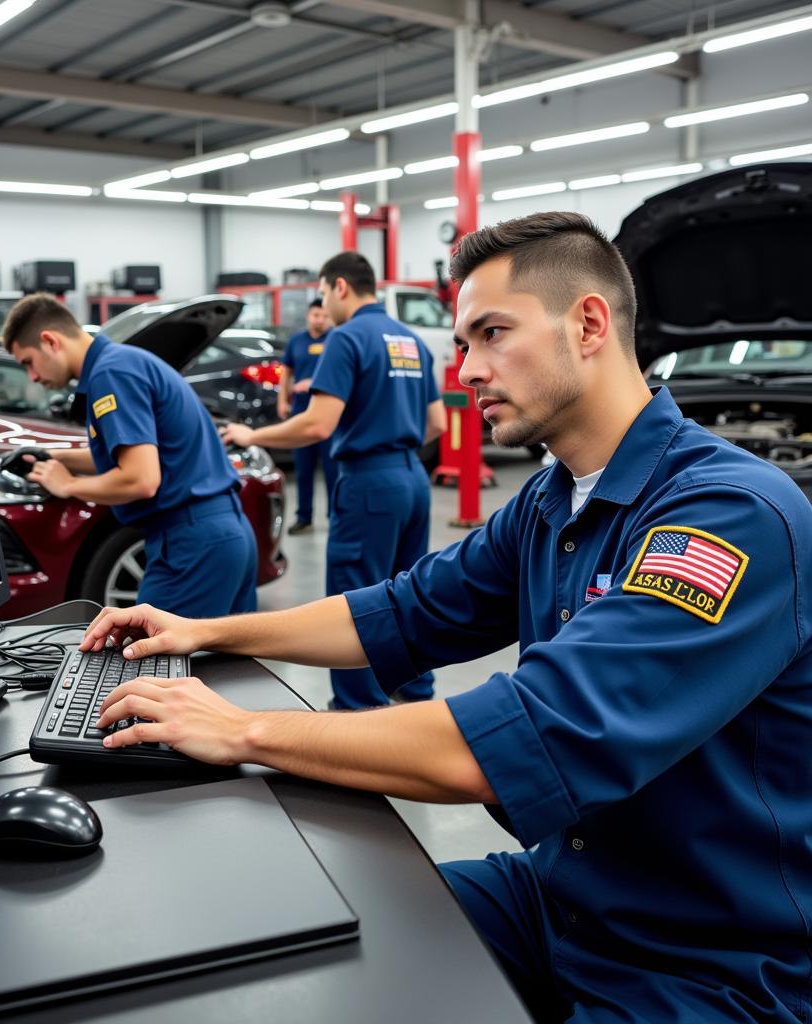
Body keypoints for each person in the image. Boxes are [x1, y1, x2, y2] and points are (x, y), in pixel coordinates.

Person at [77, 212, 812, 1023]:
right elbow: (404, 612)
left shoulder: (728, 515)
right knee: (314, 944)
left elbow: (529, 737)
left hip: (711, 960)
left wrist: (241, 729)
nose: (465, 370)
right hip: (562, 897)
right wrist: (209, 632)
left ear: (590, 324)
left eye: (492, 334)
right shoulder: (551, 501)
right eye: (463, 343)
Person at [223, 251, 447, 709]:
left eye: (324, 292)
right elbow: (438, 424)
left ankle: (357, 708)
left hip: (369, 483)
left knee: (356, 602)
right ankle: (417, 691)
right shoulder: (412, 341)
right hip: (412, 479)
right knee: (408, 593)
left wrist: (253, 433)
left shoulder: (346, 340)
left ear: (339, 286)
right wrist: (394, 440)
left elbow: (317, 426)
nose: (324, 301)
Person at [2, 293, 257, 617]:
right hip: (224, 534)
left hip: (190, 545)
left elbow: (140, 479)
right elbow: (125, 457)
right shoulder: (125, 362)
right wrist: (54, 456)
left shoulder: (111, 375)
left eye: (28, 362)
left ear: (50, 341)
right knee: (218, 667)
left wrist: (68, 485)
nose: (33, 377)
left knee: (156, 663)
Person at [278, 297, 337, 535]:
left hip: (329, 415)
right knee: (303, 469)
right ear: (308, 316)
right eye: (315, 315)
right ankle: (304, 516)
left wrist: (313, 383)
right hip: (301, 413)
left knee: (333, 470)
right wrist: (282, 401)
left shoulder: (336, 339)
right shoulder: (296, 341)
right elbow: (286, 373)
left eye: (324, 315)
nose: (319, 320)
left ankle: (335, 517)